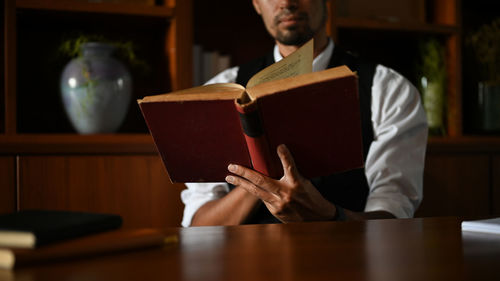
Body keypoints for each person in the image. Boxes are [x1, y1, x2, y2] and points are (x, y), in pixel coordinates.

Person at [181, 0, 428, 226]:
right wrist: (263, 180)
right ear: (256, 4)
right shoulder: (219, 92)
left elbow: (393, 217)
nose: (287, 3)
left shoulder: (388, 89)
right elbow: (200, 223)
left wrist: (330, 215)